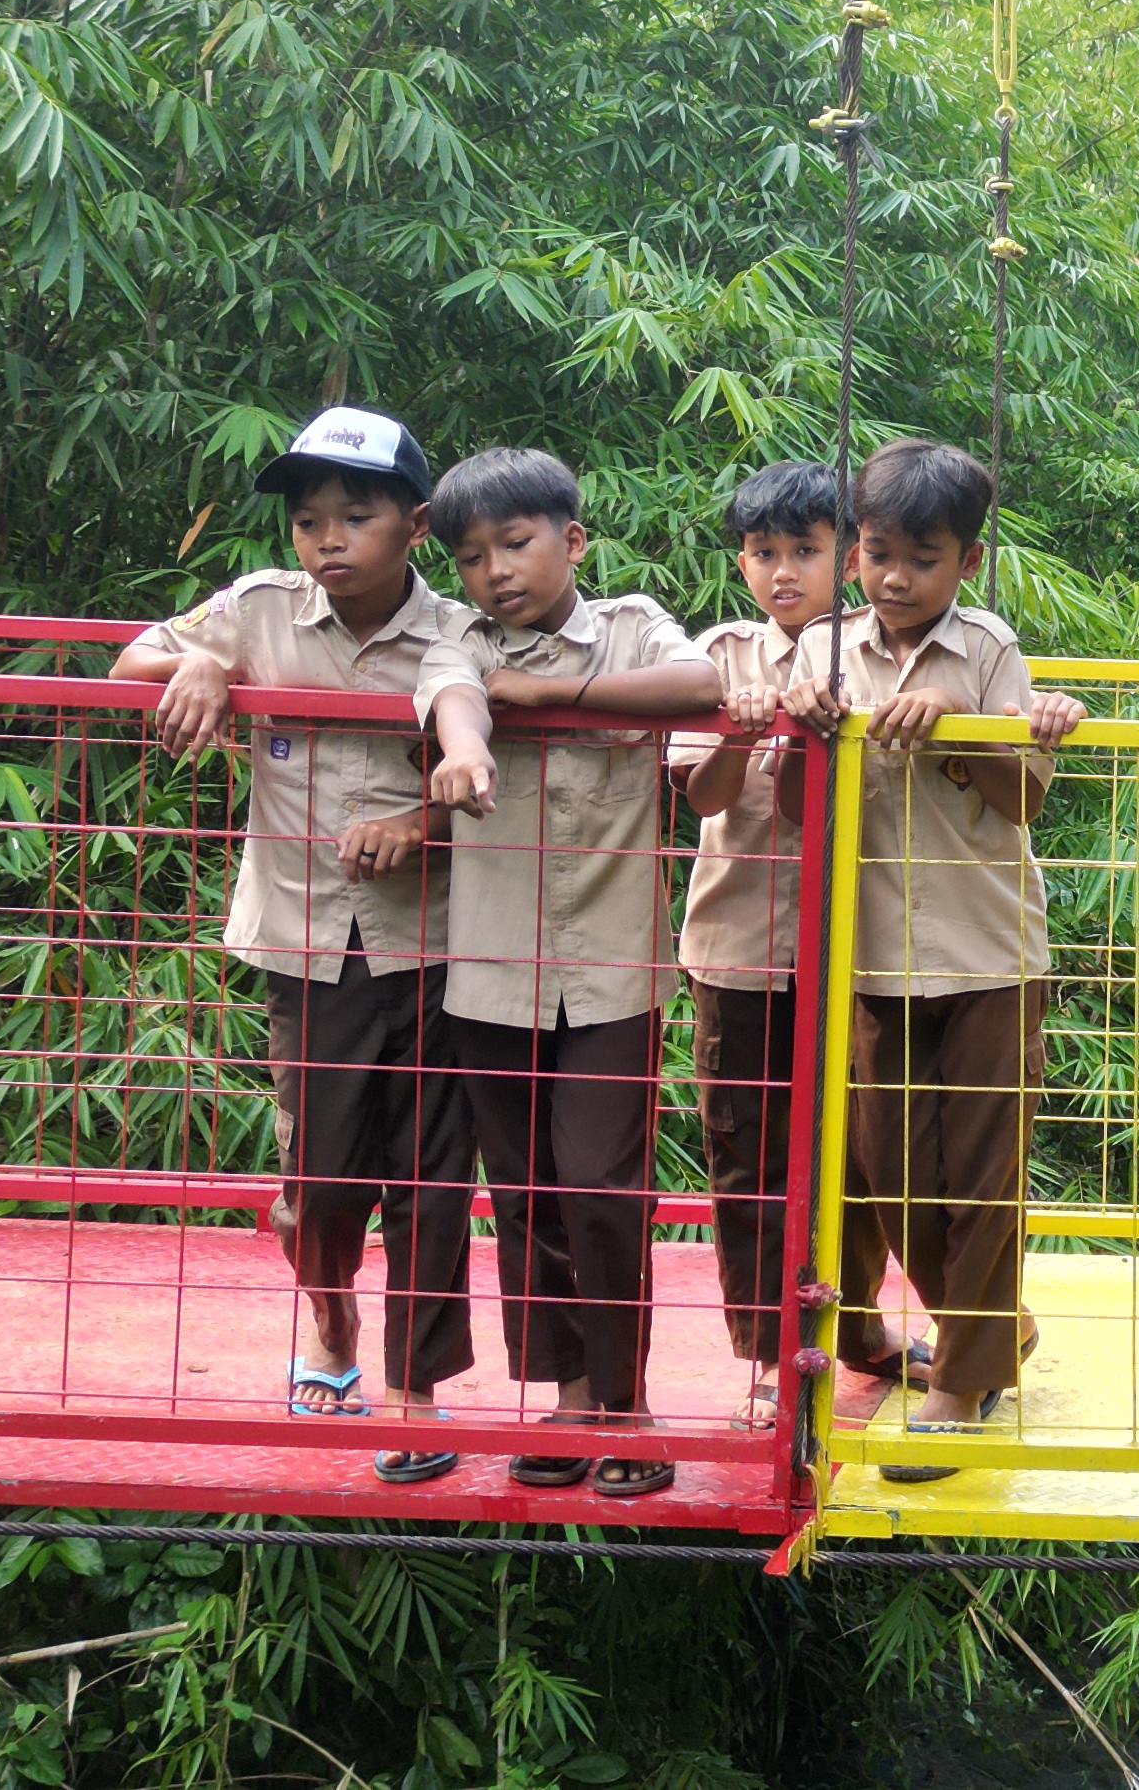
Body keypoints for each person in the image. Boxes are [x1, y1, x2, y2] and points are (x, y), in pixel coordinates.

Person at [111, 405, 489, 1481]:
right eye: (309, 519)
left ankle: (417, 1386)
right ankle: (331, 1322)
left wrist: (419, 823)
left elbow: (492, 757)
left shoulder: (458, 633)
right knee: (317, 1178)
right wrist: (201, 666)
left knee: (430, 1176)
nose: (328, 539)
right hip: (305, 942)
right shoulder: (259, 608)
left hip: (435, 942)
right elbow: (136, 659)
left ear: (416, 525)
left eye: (355, 517)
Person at [413, 447, 721, 1499]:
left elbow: (702, 685)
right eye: (472, 556)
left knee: (602, 1186)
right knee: (526, 1191)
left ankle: (628, 1400)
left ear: (572, 539)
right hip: (491, 973)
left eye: (516, 543)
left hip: (611, 973)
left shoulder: (631, 627)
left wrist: (548, 694)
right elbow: (455, 692)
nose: (496, 571)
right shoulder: (461, 638)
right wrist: (468, 741)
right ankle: (570, 1395)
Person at [778, 439, 1086, 1478]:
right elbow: (794, 812)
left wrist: (956, 728)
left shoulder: (989, 650)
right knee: (892, 1171)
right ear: (855, 552)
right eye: (878, 554)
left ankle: (959, 1380)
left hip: (991, 951)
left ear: (968, 560)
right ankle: (989, 1331)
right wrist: (804, 732)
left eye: (924, 558)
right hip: (873, 957)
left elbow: (1026, 797)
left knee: (986, 1174)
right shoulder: (823, 650)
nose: (897, 579)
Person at [672, 461, 911, 1418]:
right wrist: (743, 734)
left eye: (804, 551)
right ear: (740, 562)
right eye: (763, 552)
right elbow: (703, 798)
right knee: (749, 1158)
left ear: (845, 559)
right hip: (737, 948)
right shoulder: (718, 657)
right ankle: (769, 1362)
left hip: (858, 948)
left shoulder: (877, 651)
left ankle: (857, 1330)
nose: (783, 571)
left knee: (862, 1153)